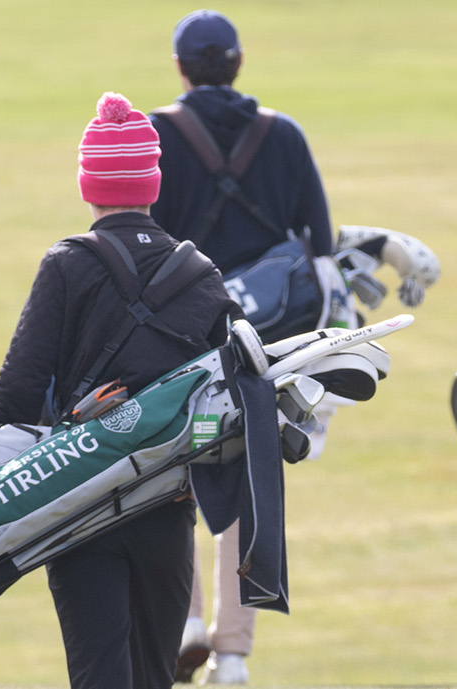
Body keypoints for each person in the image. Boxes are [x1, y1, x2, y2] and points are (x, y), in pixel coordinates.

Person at [0, 92, 239, 689]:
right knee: (154, 678)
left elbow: (14, 399)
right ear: (152, 184)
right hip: (168, 511)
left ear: (87, 185)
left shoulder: (68, 265)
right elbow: (227, 403)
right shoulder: (203, 276)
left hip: (82, 507)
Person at [149, 10, 333, 683]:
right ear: (239, 63)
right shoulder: (281, 134)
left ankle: (187, 622)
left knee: (174, 479)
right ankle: (232, 653)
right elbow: (320, 238)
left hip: (180, 337)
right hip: (265, 340)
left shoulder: (156, 133)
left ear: (180, 68)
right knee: (249, 479)